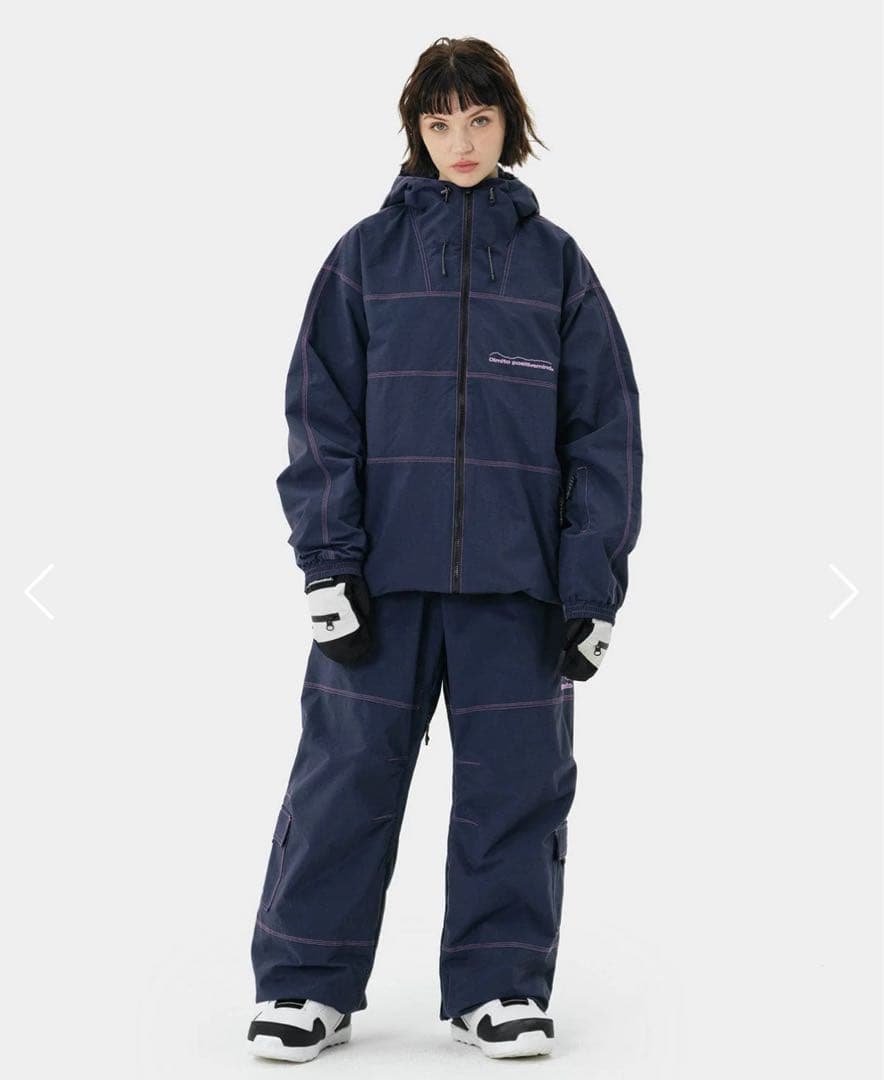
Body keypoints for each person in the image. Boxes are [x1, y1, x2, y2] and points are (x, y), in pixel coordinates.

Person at [247, 35, 643, 1062]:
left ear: (510, 125)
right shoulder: (364, 260)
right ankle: (304, 985)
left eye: (478, 119)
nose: (460, 140)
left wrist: (591, 589)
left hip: (517, 589)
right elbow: (318, 417)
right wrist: (326, 564)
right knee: (343, 781)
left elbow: (603, 434)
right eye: (439, 122)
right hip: (380, 585)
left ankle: (498, 986)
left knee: (516, 788)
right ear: (415, 133)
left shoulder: (557, 268)